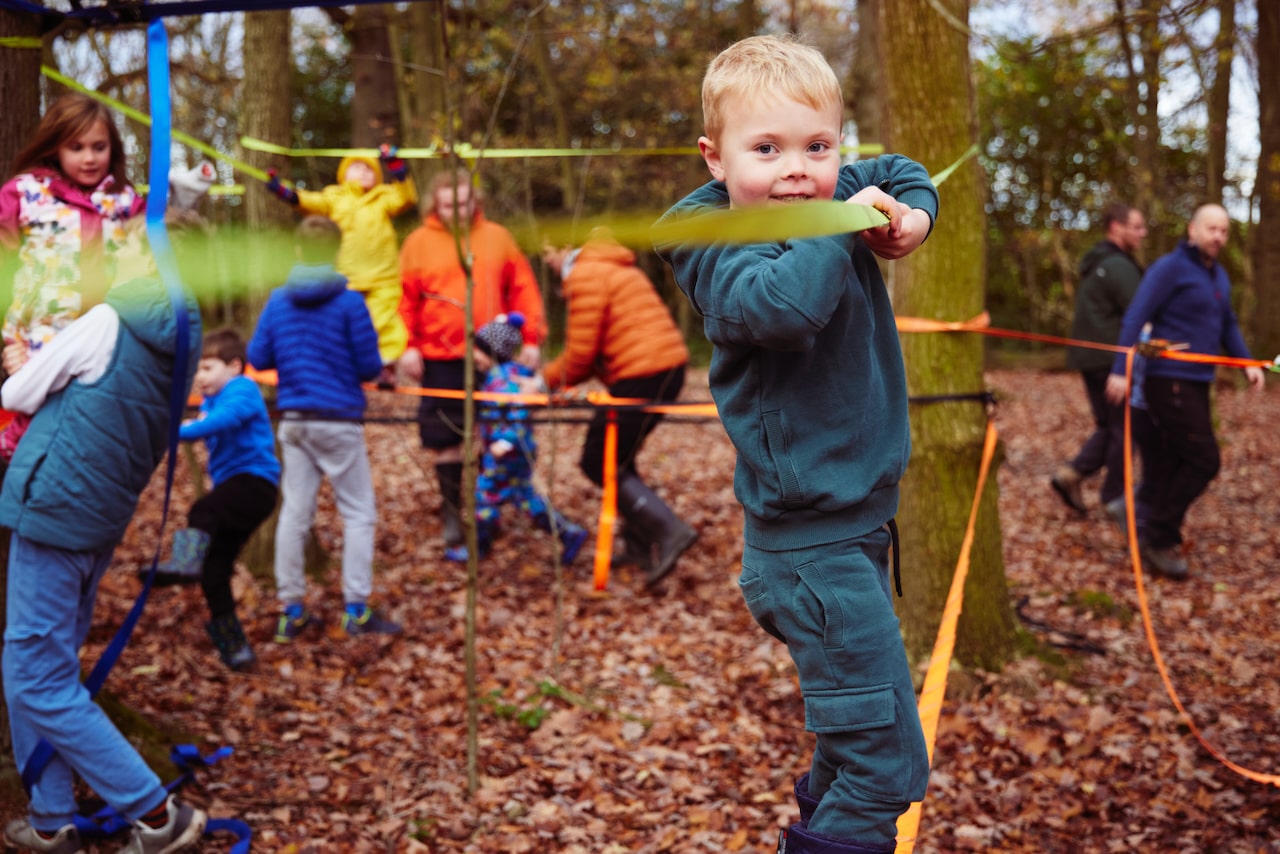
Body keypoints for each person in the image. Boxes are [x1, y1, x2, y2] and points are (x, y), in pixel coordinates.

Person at [654, 34, 937, 854]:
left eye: (817, 147)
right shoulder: (717, 252)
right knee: (885, 768)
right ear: (715, 159)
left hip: (858, 533)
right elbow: (786, 309)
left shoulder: (832, 190)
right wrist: (840, 215)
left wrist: (908, 217)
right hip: (807, 554)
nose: (794, 169)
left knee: (857, 754)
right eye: (766, 148)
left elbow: (907, 170)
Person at [0, 234, 207, 853]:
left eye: (129, 248)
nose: (115, 254)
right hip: (96, 516)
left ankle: (155, 813)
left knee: (38, 677)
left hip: (58, 510)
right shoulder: (183, 343)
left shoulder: (110, 318)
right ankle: (51, 817)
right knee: (34, 667)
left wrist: (20, 361)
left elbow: (18, 395)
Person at [248, 215, 401, 641]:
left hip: (296, 421)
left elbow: (258, 358)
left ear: (298, 251)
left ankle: (291, 609)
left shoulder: (278, 301)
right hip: (337, 420)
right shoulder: (350, 303)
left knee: (295, 513)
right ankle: (355, 610)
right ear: (337, 252)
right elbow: (370, 365)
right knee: (358, 514)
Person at [1104, 203, 1266, 579]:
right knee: (1204, 459)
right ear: (1192, 229)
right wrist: (1119, 370)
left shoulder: (1218, 276)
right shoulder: (1170, 268)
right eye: (1211, 229)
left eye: (1224, 231)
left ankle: (1135, 510)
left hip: (1198, 381)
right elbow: (1135, 315)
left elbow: (1228, 324)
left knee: (1172, 459)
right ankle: (1158, 535)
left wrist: (1248, 364)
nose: (1218, 237)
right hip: (1168, 378)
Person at [397, 168, 547, 552]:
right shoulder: (417, 243)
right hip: (439, 356)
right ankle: (451, 512)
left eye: (463, 203)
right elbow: (404, 300)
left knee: (494, 434)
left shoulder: (497, 237)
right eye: (448, 205)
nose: (456, 211)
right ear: (436, 204)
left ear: (474, 201)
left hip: (492, 358)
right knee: (443, 436)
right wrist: (408, 345)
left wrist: (531, 336)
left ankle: (487, 514)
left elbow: (523, 289)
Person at [541, 229, 695, 586]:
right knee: (620, 457)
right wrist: (564, 381)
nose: (547, 258)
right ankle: (640, 546)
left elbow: (579, 354)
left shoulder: (586, 273)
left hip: (644, 374)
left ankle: (669, 529)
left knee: (597, 460)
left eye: (548, 249)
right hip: (661, 369)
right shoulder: (606, 266)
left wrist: (543, 380)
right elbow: (597, 350)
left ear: (565, 246)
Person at [0, 93, 146, 462]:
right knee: (33, 409)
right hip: (41, 330)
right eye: (76, 147)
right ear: (55, 148)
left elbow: (154, 249)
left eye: (99, 147)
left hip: (103, 335)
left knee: (87, 422)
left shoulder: (124, 200)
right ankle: (15, 454)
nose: (89, 158)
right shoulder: (26, 193)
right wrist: (8, 341)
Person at [152, 327, 280, 672]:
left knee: (203, 509)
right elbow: (205, 420)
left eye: (207, 368)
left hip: (255, 484)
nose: (199, 377)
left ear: (235, 366)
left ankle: (184, 563)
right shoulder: (212, 401)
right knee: (216, 570)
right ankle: (235, 647)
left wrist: (169, 431)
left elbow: (217, 423)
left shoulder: (243, 390)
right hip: (237, 489)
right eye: (197, 369)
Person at [444, 312, 588, 565]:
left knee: (485, 497)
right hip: (515, 451)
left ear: (491, 351)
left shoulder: (504, 380)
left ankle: (479, 549)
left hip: (509, 452)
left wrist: (505, 441)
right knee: (525, 497)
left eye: (477, 350)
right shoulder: (500, 375)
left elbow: (518, 412)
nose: (473, 356)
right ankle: (568, 533)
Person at [263, 145, 416, 370]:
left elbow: (406, 197)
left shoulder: (383, 198)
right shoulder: (334, 197)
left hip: (383, 277)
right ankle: (347, 357)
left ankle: (384, 361)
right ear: (343, 174)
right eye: (356, 167)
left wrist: (396, 166)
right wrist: (284, 192)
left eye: (369, 169)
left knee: (381, 319)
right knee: (347, 318)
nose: (363, 172)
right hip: (347, 275)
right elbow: (308, 201)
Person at [1051, 203, 1148, 518]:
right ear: (1116, 227)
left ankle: (1072, 475)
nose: (1142, 233)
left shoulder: (1100, 262)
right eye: (1136, 226)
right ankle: (1113, 499)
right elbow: (1140, 313)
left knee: (1109, 426)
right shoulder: (1118, 265)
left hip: (1091, 357)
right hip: (1110, 361)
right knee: (1124, 429)